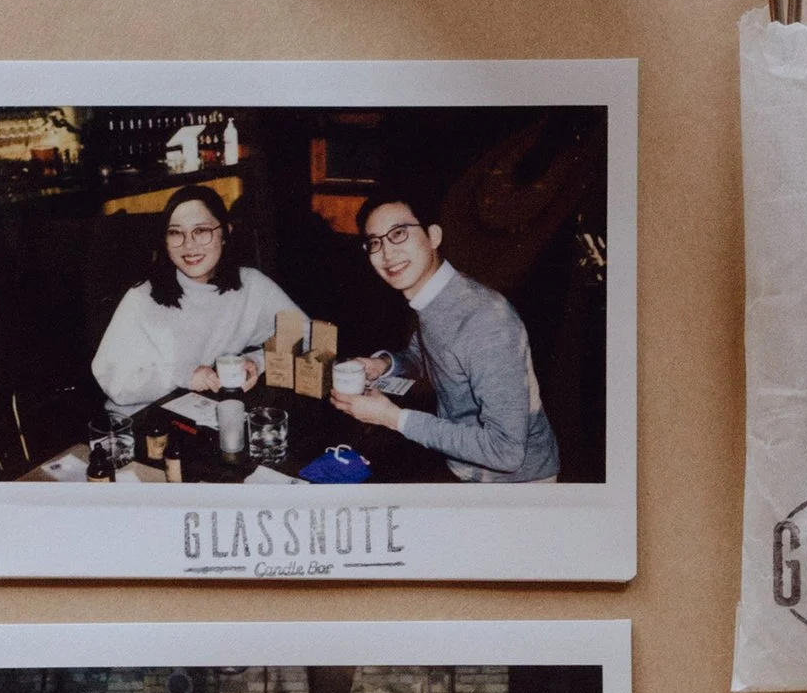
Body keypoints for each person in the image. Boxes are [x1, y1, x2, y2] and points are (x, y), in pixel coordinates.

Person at [332, 192, 558, 482]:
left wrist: (392, 417)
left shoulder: (484, 319)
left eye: (399, 233)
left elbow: (507, 452)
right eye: (375, 242)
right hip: (465, 466)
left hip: (518, 485)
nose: (387, 253)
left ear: (433, 236)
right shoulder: (436, 299)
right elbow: (429, 357)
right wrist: (383, 365)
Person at [89, 187, 301, 422]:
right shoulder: (142, 297)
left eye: (201, 231)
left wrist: (257, 362)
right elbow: (113, 380)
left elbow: (306, 335)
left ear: (225, 233)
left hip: (202, 417)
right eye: (175, 233)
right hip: (140, 422)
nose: (189, 245)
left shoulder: (251, 285)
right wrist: (184, 376)